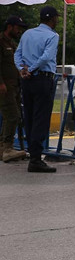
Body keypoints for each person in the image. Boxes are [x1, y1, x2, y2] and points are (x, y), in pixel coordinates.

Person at [14, 5, 60, 173]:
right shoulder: (53, 36)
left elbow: (17, 54)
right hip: (42, 79)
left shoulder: (27, 34)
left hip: (27, 80)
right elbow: (46, 56)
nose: (57, 20)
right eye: (56, 17)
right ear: (52, 19)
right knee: (41, 118)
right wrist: (32, 69)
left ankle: (32, 154)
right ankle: (35, 159)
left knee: (30, 116)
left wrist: (22, 70)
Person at [0, 16, 29, 162]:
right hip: (5, 86)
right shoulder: (0, 42)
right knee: (12, 116)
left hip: (14, 86)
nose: (19, 31)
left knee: (11, 116)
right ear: (10, 26)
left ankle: (3, 148)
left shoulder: (11, 43)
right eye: (18, 28)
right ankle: (7, 148)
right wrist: (1, 83)